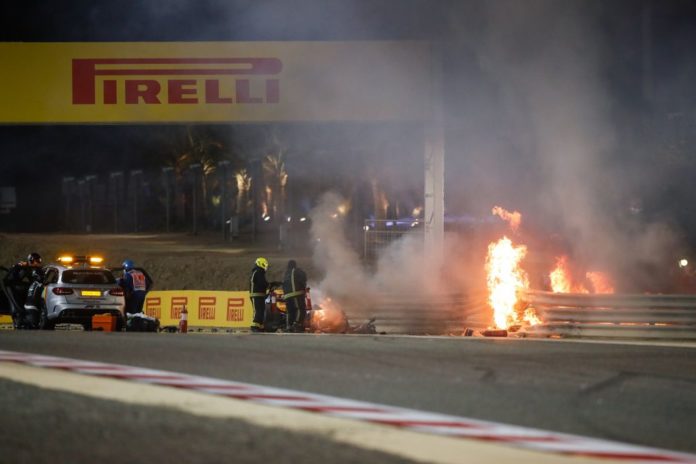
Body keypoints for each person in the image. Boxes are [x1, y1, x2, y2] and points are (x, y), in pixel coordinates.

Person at [6, 252, 43, 328]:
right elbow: (12, 277)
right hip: (12, 285)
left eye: (39, 261)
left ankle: (24, 318)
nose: (38, 263)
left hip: (16, 285)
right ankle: (19, 319)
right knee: (17, 304)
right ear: (31, 260)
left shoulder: (33, 269)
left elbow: (33, 280)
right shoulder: (22, 266)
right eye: (37, 261)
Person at [282, 259, 307, 333]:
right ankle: (297, 324)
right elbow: (303, 278)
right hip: (296, 293)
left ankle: (289, 326)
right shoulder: (296, 271)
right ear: (295, 265)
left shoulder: (286, 273)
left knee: (290, 311)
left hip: (287, 295)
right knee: (300, 309)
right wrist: (303, 288)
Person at [249, 257, 269, 332]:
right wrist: (269, 285)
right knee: (257, 310)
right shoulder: (257, 272)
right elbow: (262, 283)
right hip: (255, 295)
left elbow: (262, 283)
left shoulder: (260, 272)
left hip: (260, 295)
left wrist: (269, 285)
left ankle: (259, 325)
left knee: (261, 310)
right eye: (264, 264)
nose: (265, 266)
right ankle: (254, 325)